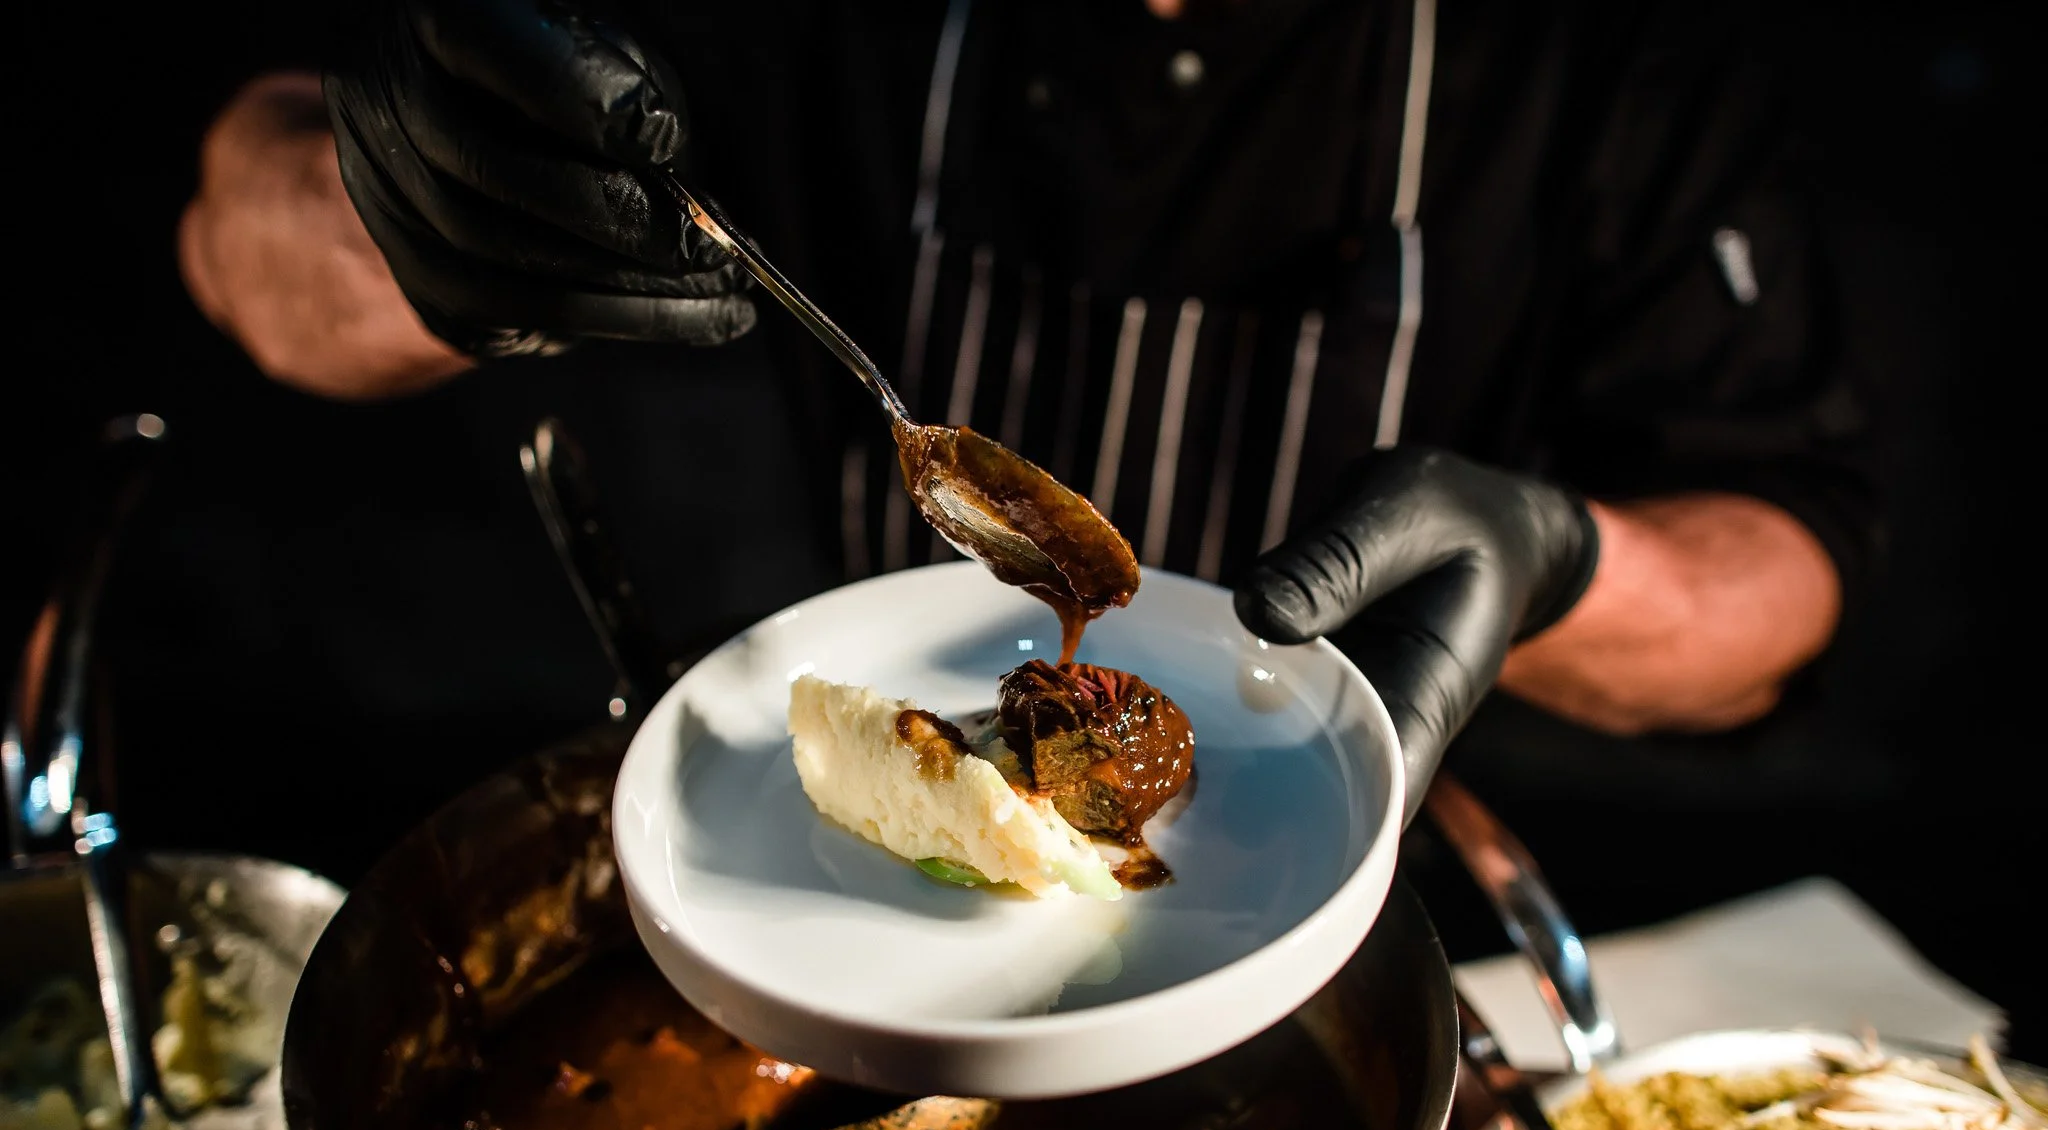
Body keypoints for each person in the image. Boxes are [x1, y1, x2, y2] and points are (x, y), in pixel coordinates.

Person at [176, 0, 1868, 841]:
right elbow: (242, 250)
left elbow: (1776, 576)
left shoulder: (1614, 60)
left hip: (1350, 907)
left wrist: (1562, 568)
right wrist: (406, 198)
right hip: (879, 843)